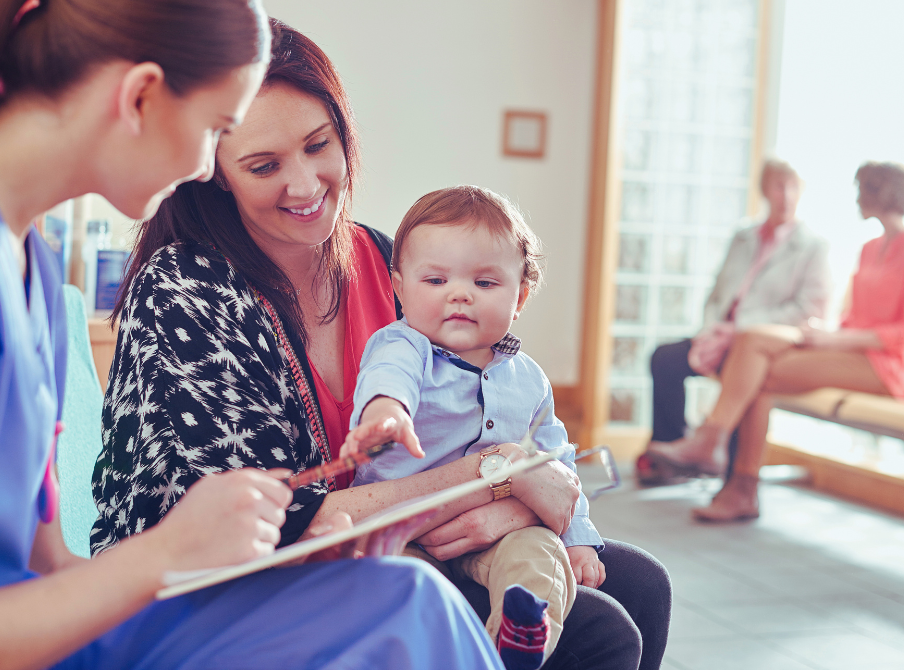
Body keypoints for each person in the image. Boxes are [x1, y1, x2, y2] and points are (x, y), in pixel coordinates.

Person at [0, 0, 503, 670]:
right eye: (216, 131)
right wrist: (167, 550)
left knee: (408, 601)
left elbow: (47, 569)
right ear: (140, 95)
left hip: (60, 632)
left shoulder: (29, 266)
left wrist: (202, 547)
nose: (208, 166)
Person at [96, 18, 672, 670]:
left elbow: (488, 406)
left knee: (642, 584)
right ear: (215, 172)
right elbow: (280, 529)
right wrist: (495, 481)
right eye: (264, 165)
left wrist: (522, 500)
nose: (308, 184)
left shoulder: (381, 256)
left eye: (319, 145)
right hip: (237, 583)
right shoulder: (189, 294)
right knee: (599, 633)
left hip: (397, 532)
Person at [344, 186, 605, 670]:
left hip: (497, 532)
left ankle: (517, 640)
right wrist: (387, 415)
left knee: (540, 557)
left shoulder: (529, 377)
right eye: (436, 279)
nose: (459, 294)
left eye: (485, 283)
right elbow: (388, 380)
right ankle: (453, 648)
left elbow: (556, 462)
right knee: (408, 587)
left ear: (520, 295)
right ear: (399, 289)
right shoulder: (404, 345)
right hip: (403, 528)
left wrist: (579, 537)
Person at [648, 162, 904, 522]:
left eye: (861, 189)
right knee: (755, 350)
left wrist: (839, 339)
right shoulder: (871, 247)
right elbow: (858, 314)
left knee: (760, 374)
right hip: (853, 349)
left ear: (880, 193)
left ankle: (726, 465)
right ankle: (734, 478)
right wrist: (830, 334)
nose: (856, 197)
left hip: (889, 365)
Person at [636, 159, 830, 485]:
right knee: (665, 358)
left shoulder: (813, 247)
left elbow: (808, 309)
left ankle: (730, 476)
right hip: (720, 335)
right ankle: (671, 452)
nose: (786, 195)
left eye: (794, 186)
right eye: (779, 185)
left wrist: (740, 330)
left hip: (761, 344)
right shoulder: (743, 237)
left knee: (744, 376)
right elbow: (718, 292)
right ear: (765, 190)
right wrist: (711, 329)